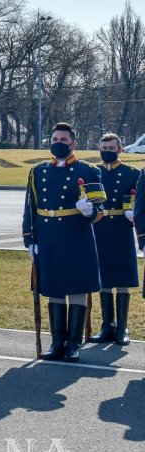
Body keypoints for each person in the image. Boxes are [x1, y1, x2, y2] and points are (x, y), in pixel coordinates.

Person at [23, 122, 105, 362]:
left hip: (76, 236)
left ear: (74, 144)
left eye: (63, 140)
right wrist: (29, 238)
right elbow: (30, 207)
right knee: (54, 289)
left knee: (77, 289)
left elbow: (101, 210)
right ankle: (57, 341)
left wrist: (89, 210)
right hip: (48, 236)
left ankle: (73, 343)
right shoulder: (38, 171)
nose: (58, 143)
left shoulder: (88, 170)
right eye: (55, 139)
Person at [89, 133, 139, 345]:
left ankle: (123, 326)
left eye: (111, 148)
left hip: (122, 228)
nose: (107, 151)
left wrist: (134, 215)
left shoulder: (131, 173)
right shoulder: (94, 172)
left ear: (120, 149)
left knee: (123, 278)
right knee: (104, 279)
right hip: (99, 229)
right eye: (104, 147)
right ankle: (107, 325)